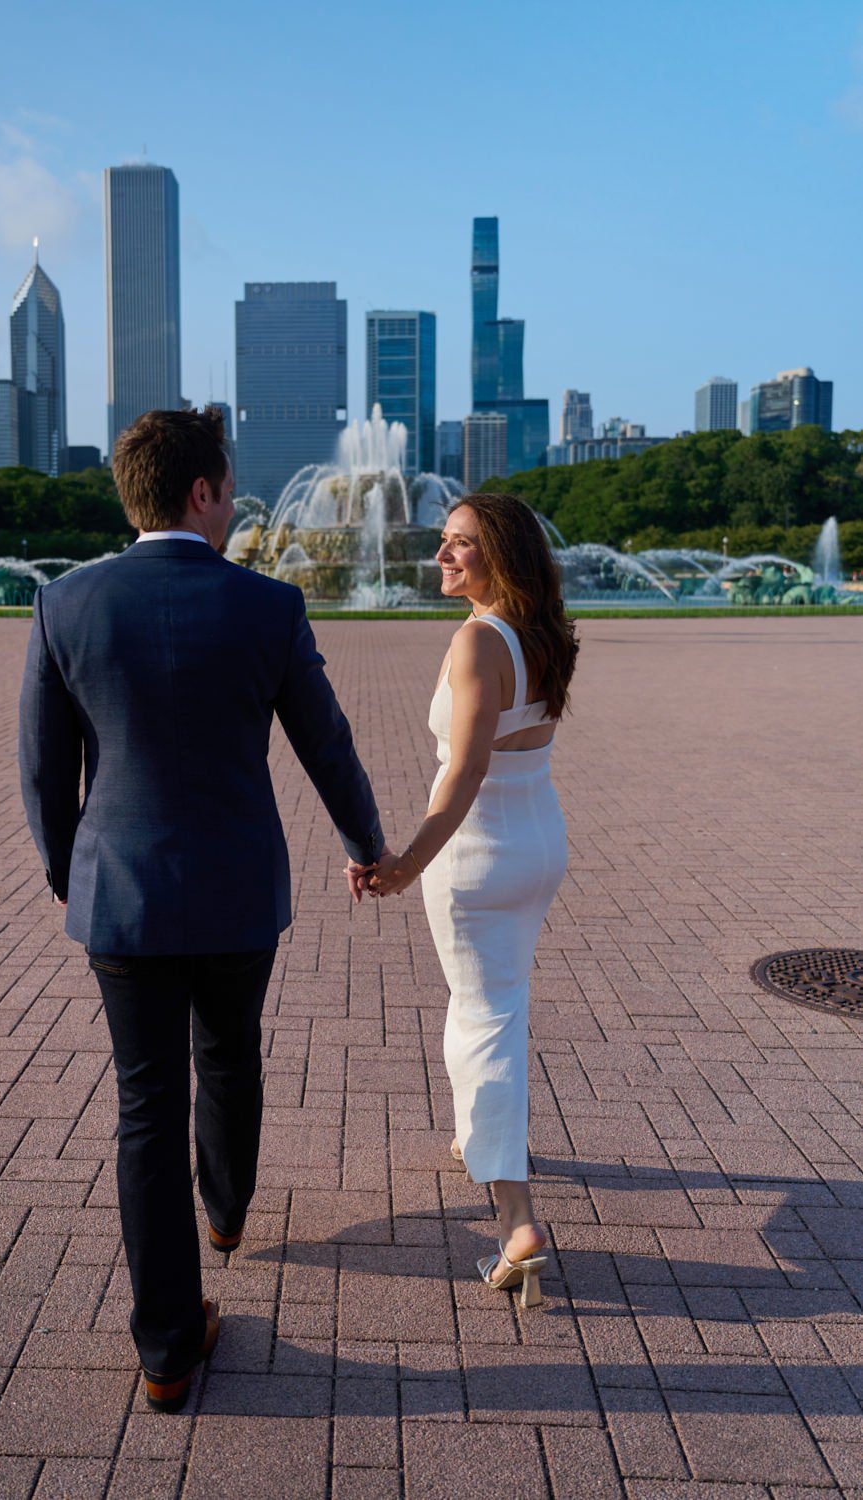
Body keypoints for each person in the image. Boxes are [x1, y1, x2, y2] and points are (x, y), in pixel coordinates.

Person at [18, 407, 385, 1410]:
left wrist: (71, 874)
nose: (232, 505)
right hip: (233, 894)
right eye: (227, 488)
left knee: (145, 1105)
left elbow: (44, 774)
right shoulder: (267, 606)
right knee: (229, 1054)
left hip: (120, 897)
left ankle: (168, 1349)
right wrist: (366, 846)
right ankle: (225, 1213)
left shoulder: (64, 605)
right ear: (202, 493)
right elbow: (328, 745)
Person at [355, 493, 577, 1309]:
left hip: (480, 854)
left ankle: (517, 1220)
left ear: (501, 556)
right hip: (539, 842)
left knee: (477, 1018)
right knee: (501, 1001)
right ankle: (478, 1137)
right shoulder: (541, 632)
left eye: (461, 546)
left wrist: (408, 860)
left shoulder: (479, 638)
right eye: (443, 541)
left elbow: (465, 768)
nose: (442, 557)